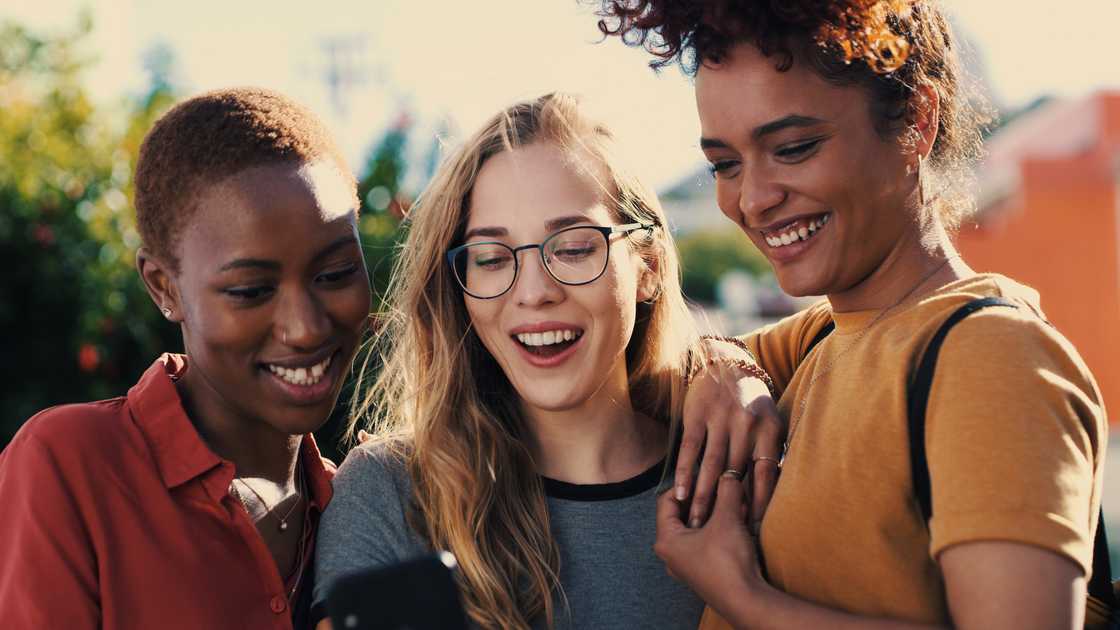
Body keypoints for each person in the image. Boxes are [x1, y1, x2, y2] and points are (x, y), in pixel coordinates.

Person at [595, 1, 1108, 628]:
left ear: (916, 123)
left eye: (793, 147)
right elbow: (708, 352)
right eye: (725, 165)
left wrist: (742, 597)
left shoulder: (988, 357)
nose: (752, 199)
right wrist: (728, 365)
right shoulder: (828, 334)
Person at [314, 93, 721, 629]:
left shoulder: (733, 476)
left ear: (647, 265)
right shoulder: (390, 492)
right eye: (490, 257)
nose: (533, 292)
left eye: (573, 248)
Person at [0, 87, 372, 629]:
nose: (306, 327)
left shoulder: (361, 511)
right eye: (251, 290)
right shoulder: (69, 468)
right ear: (163, 287)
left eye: (336, 274)